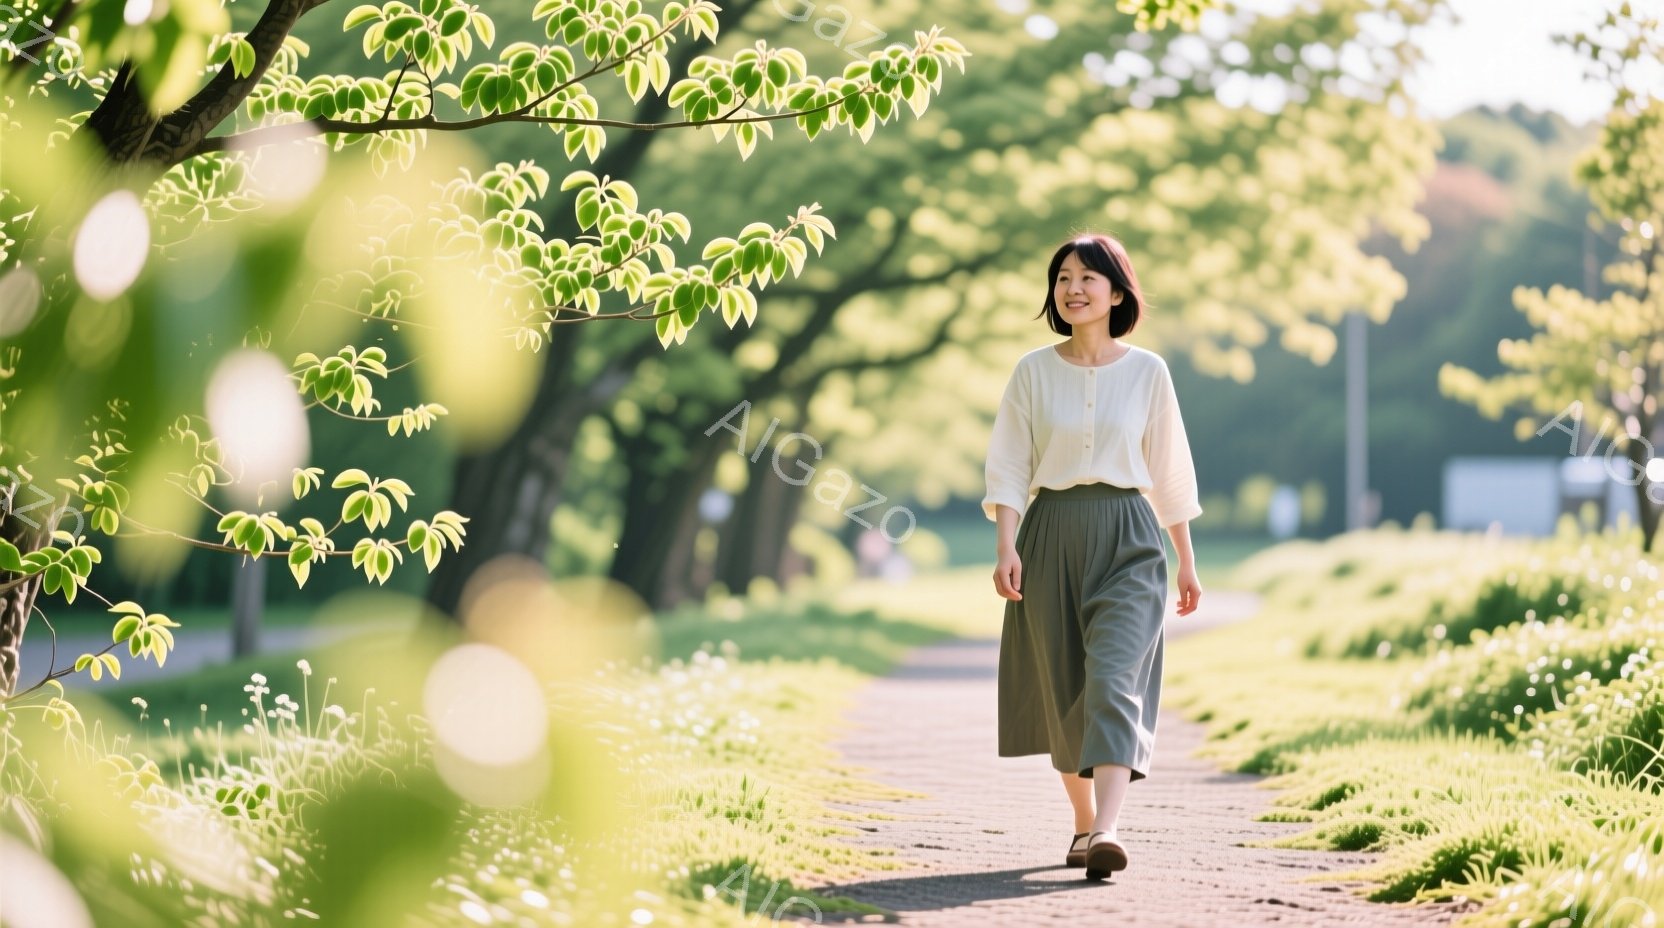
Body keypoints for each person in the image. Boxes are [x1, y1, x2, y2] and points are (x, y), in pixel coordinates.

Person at [981, 232, 1204, 881]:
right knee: (1064, 685)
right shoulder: (1032, 371)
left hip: (1131, 536)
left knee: (1113, 678)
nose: (1073, 289)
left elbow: (1170, 469)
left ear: (1116, 291)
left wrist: (1186, 560)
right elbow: (1010, 464)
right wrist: (1005, 545)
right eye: (1062, 278)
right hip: (1049, 533)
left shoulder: (1148, 372)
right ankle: (1082, 828)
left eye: (1087, 278)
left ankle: (1108, 827)